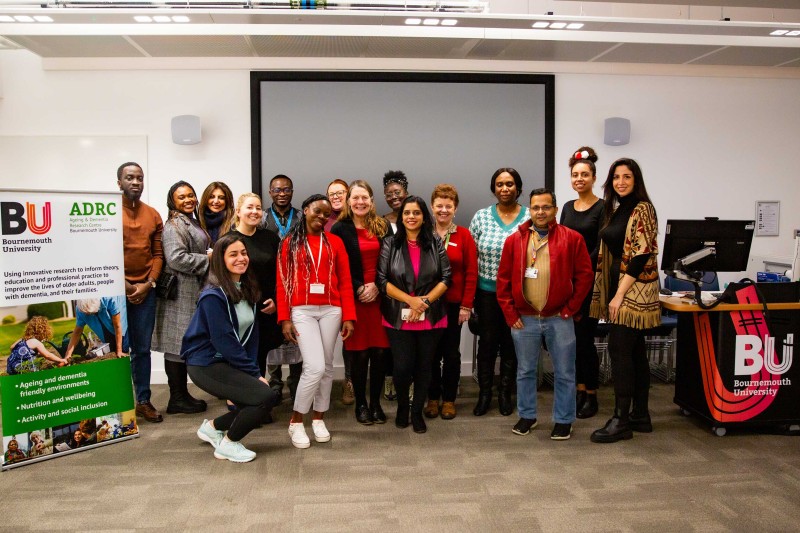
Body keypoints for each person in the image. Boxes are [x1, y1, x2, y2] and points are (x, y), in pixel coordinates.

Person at [496, 188, 594, 440]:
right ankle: (527, 415)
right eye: (536, 207)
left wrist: (571, 308)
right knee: (525, 371)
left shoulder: (572, 238)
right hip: (524, 318)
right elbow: (503, 281)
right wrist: (509, 314)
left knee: (564, 372)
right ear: (530, 209)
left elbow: (585, 276)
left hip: (559, 317)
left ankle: (563, 420)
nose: (541, 212)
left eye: (546, 207)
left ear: (555, 209)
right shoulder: (514, 241)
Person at [182, 233, 280, 463]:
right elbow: (224, 340)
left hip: (225, 361)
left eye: (244, 253)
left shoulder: (246, 289)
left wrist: (255, 370)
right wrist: (254, 374)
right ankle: (228, 444)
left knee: (257, 398)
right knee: (264, 397)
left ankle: (212, 428)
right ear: (220, 260)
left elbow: (251, 337)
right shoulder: (213, 296)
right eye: (233, 254)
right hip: (205, 364)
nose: (241, 258)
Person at [589, 158, 660, 443]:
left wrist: (618, 295)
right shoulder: (617, 210)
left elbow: (642, 254)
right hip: (621, 284)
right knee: (635, 352)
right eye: (616, 177)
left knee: (619, 350)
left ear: (636, 180)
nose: (621, 182)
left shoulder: (642, 208)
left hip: (634, 289)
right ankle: (640, 415)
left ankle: (621, 420)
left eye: (627, 177)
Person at [277, 194, 356, 449]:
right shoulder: (290, 242)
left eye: (325, 214)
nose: (321, 217)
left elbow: (344, 280)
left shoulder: (334, 242)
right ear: (306, 210)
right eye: (317, 211)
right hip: (302, 310)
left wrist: (349, 316)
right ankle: (296, 420)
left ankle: (319, 418)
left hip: (332, 309)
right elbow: (282, 282)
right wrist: (284, 318)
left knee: (328, 366)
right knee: (314, 366)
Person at [377, 196, 451, 434]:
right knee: (402, 367)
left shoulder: (435, 242)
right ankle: (402, 408)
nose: (411, 217)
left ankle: (417, 411)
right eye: (407, 213)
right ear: (401, 217)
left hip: (431, 316)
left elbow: (446, 278)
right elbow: (381, 280)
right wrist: (410, 301)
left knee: (424, 367)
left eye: (416, 213)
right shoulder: (390, 243)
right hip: (398, 316)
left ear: (423, 216)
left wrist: (425, 302)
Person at [468, 168, 530, 417]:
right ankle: (485, 394)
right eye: (500, 184)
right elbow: (471, 257)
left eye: (510, 184)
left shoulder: (529, 217)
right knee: (487, 345)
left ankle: (505, 393)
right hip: (486, 294)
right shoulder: (481, 217)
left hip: (518, 294)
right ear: (494, 188)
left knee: (511, 344)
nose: (505, 188)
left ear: (518, 188)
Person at [331, 180, 392, 425]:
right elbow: (336, 266)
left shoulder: (383, 226)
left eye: (364, 197)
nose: (360, 202)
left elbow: (391, 261)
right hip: (353, 299)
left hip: (380, 298)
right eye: (355, 198)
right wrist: (359, 287)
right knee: (358, 354)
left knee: (379, 353)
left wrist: (377, 286)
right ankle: (361, 405)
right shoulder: (339, 229)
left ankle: (376, 404)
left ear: (371, 200)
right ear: (348, 201)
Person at [152, 181, 209, 415]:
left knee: (182, 344)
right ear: (172, 202)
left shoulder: (191, 221)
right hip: (179, 293)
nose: (188, 200)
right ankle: (176, 398)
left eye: (191, 195)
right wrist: (209, 259)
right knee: (176, 345)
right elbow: (176, 258)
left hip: (190, 291)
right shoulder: (174, 225)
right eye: (181, 197)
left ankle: (181, 395)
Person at [423, 184, 477, 421]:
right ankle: (432, 398)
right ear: (432, 207)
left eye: (448, 206)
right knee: (430, 354)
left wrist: (466, 305)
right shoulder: (424, 233)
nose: (443, 210)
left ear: (455, 209)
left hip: (455, 305)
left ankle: (449, 400)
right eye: (439, 206)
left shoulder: (463, 235)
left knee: (451, 354)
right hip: (428, 304)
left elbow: (471, 273)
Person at [560, 147, 605, 419]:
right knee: (572, 342)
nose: (579, 179)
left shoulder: (602, 208)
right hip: (567, 284)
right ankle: (578, 390)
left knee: (585, 341)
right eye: (575, 175)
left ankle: (591, 394)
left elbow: (599, 248)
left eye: (584, 174)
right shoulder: (567, 207)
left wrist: (579, 273)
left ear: (594, 177)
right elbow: (562, 243)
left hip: (588, 284)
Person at [118, 162, 164, 423]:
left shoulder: (153, 215)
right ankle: (118, 403)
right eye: (129, 178)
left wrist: (148, 284)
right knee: (119, 349)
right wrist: (124, 286)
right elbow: (103, 253)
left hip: (146, 290)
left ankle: (143, 401)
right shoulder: (108, 213)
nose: (135, 182)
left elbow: (158, 255)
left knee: (142, 349)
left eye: (139, 178)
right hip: (116, 292)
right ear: (119, 183)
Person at [260, 174, 302, 402]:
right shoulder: (262, 218)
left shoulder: (302, 217)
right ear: (270, 192)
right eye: (277, 190)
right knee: (273, 333)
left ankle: (296, 381)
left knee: (297, 331)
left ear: (292, 192)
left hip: (297, 282)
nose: (282, 194)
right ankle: (274, 383)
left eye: (286, 190)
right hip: (271, 280)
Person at [229, 193, 281, 378]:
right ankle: (239, 396)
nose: (255, 211)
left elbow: (280, 274)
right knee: (241, 353)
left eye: (258, 208)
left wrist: (276, 301)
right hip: (240, 307)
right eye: (249, 207)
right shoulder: (229, 240)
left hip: (267, 308)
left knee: (260, 354)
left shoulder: (271, 238)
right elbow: (224, 277)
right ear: (238, 211)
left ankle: (258, 396)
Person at [325, 178, 355, 406]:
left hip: (352, 288)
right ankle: (321, 383)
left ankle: (349, 381)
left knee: (351, 339)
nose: (336, 197)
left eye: (340, 193)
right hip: (326, 291)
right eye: (332, 194)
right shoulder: (321, 219)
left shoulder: (356, 220)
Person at [381, 170, 409, 401]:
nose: (393, 196)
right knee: (391, 338)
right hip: (389, 289)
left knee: (412, 339)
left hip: (414, 290)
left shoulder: (415, 216)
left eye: (397, 192)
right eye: (389, 193)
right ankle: (390, 378)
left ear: (406, 192)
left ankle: (409, 382)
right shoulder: (381, 222)